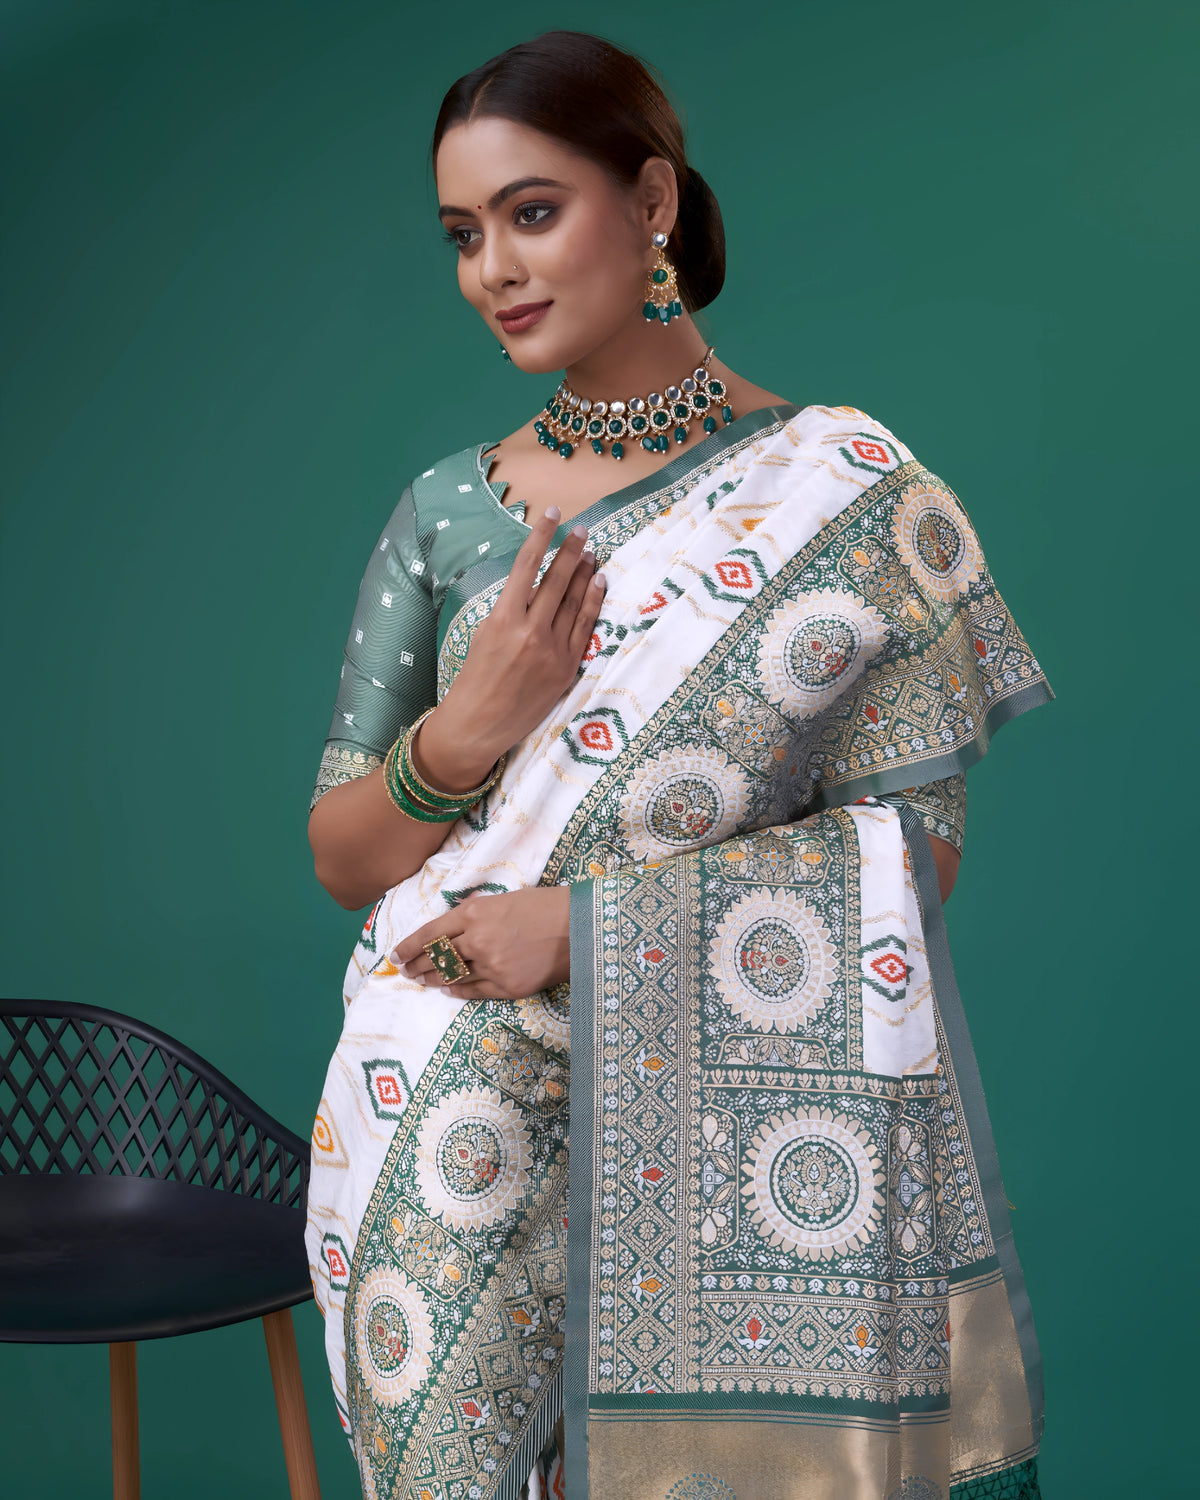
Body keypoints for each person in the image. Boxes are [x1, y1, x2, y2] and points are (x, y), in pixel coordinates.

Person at [303, 30, 1051, 1500]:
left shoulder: (848, 497)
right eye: (463, 235)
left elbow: (913, 863)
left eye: (531, 212)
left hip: (723, 1116)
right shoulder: (451, 510)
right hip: (433, 1109)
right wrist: (477, 723)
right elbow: (342, 856)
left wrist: (574, 930)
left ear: (650, 201)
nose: (491, 271)